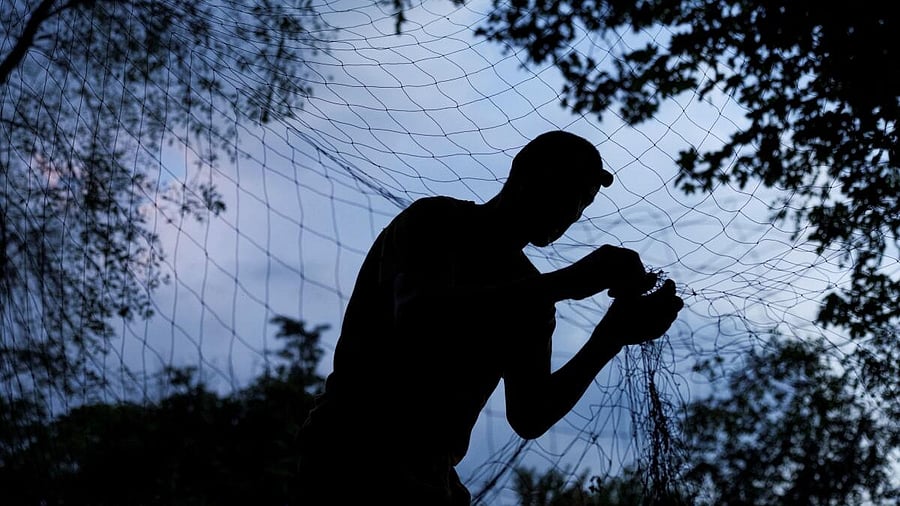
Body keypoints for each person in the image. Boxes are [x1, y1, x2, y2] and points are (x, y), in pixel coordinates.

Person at [296, 130, 684, 505]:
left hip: (432, 475)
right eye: (567, 189)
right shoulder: (437, 220)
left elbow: (530, 415)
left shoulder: (534, 291)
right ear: (522, 173)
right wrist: (566, 283)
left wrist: (611, 336)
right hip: (353, 449)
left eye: (584, 200)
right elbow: (419, 318)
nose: (573, 210)